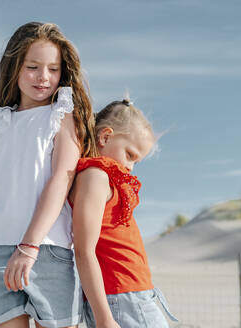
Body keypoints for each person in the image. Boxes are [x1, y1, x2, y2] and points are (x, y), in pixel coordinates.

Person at [0, 22, 96, 328]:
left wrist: (30, 245)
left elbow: (61, 180)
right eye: (33, 67)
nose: (43, 77)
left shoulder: (63, 118)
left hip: (47, 251)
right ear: (15, 68)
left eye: (53, 69)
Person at [70, 99, 179, 328]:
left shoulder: (106, 179)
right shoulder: (95, 176)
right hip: (120, 299)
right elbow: (83, 251)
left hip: (132, 295)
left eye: (137, 161)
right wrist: (104, 318)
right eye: (129, 155)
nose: (131, 167)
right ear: (105, 137)